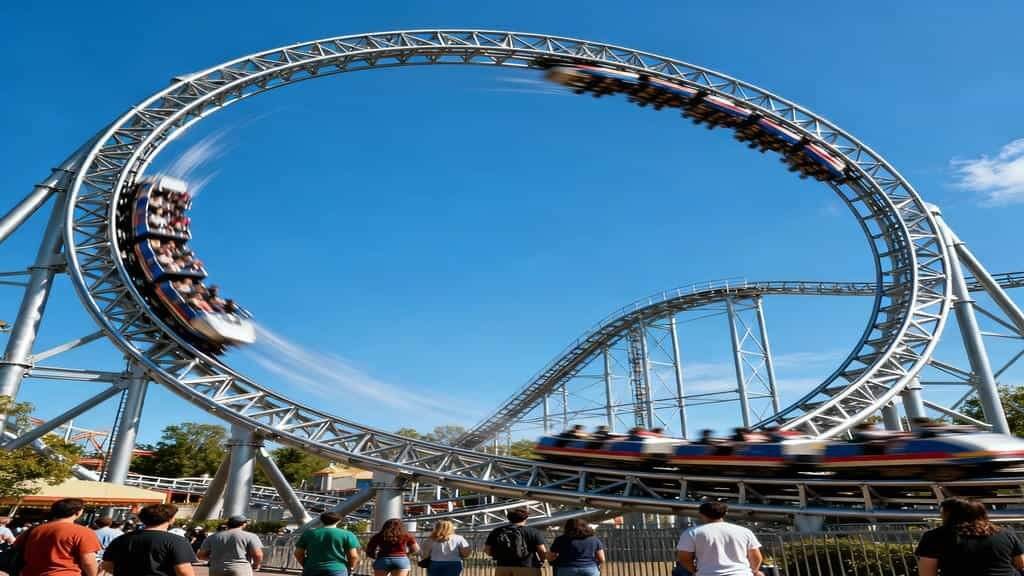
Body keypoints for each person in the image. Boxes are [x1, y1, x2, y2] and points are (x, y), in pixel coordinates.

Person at [916, 497, 1024, 576]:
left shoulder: (934, 537)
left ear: (949, 515)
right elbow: (1021, 563)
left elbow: (927, 573)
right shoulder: (1005, 533)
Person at [101, 503, 196, 576]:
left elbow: (107, 565)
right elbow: (184, 571)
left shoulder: (122, 538)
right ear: (170, 519)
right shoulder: (177, 541)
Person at [14, 498, 101, 576]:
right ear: (78, 512)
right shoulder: (83, 532)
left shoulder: (33, 530)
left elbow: (16, 547)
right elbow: (88, 562)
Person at [677, 501, 762, 576]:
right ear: (725, 513)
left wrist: (694, 570)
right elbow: (756, 557)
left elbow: (684, 557)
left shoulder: (692, 532)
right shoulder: (744, 531)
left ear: (701, 514)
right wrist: (754, 571)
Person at [294, 511, 361, 576]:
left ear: (321, 520)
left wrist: (305, 565)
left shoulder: (309, 534)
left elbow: (298, 553)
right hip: (337, 569)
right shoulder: (347, 534)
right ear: (339, 521)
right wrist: (351, 567)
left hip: (312, 568)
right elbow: (353, 556)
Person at [485, 508, 547, 576]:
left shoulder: (496, 531)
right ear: (525, 519)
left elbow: (487, 550)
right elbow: (541, 551)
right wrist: (542, 561)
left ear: (509, 518)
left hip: (503, 567)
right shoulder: (533, 532)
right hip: (527, 567)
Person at [197, 515, 263, 576]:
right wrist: (255, 565)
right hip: (241, 568)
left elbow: (200, 555)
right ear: (243, 524)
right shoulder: (250, 536)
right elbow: (258, 554)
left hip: (217, 569)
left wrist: (214, 559)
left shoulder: (213, 537)